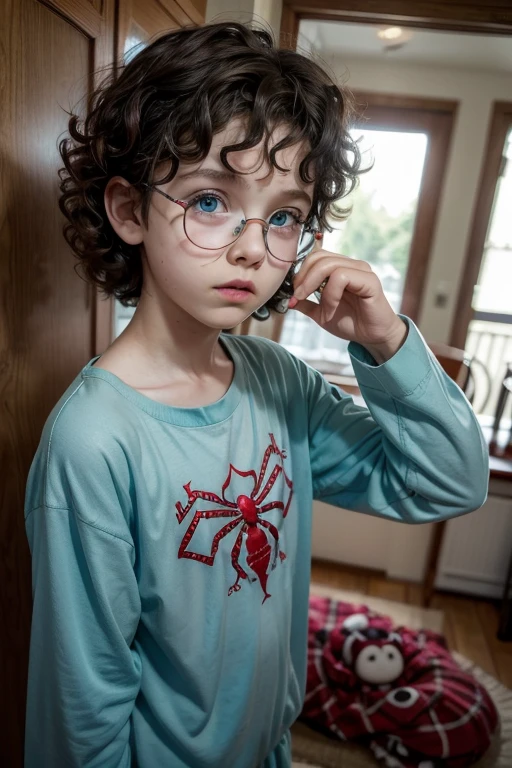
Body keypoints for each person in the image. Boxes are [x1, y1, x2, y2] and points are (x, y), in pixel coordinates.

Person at [24, 21, 488, 768]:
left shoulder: (279, 383)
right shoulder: (93, 441)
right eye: (210, 201)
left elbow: (448, 480)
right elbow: (82, 699)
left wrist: (386, 343)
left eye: (283, 217)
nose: (250, 245)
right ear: (131, 210)